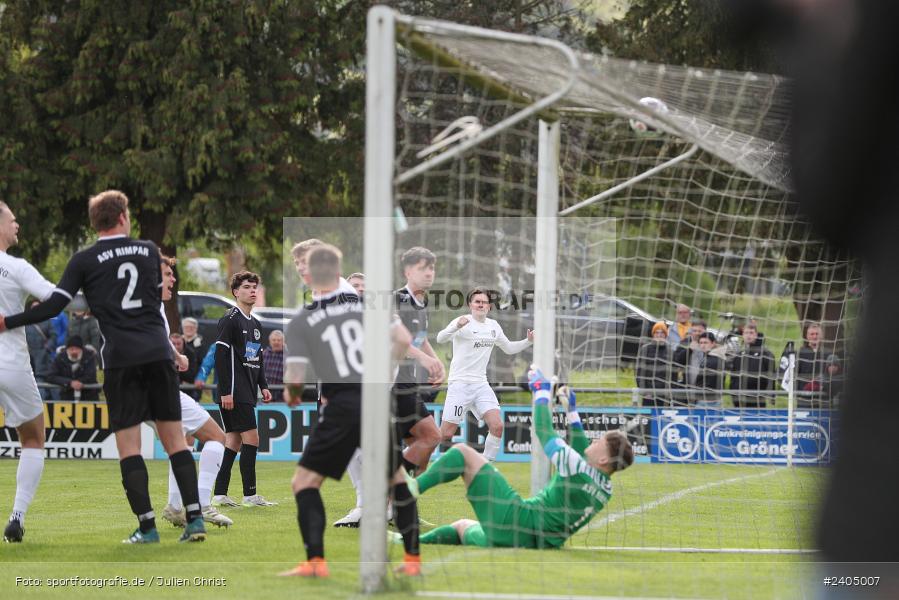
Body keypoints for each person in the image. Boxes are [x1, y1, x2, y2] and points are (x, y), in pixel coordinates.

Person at [0, 190, 205, 543]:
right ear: (124, 217)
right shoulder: (147, 251)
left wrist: (9, 321)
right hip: (157, 352)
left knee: (129, 446)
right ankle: (195, 521)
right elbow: (157, 297)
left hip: (121, 358)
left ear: (95, 222)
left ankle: (147, 527)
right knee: (175, 440)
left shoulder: (84, 259)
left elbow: (55, 306)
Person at [281, 244, 421, 577]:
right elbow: (402, 338)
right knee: (396, 477)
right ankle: (413, 562)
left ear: (311, 274)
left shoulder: (302, 319)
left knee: (304, 483)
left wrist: (292, 395)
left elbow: (296, 377)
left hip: (342, 403)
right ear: (339, 270)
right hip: (377, 399)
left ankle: (315, 563)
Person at [403, 366, 633, 549]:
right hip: (530, 542)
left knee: (461, 452)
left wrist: (541, 394)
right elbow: (583, 452)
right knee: (462, 527)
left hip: (516, 520)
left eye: (599, 443)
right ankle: (403, 541)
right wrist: (571, 412)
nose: (593, 442)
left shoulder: (575, 468)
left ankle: (410, 489)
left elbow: (544, 431)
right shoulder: (605, 488)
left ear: (603, 460)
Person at [153, 254, 232, 529]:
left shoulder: (142, 304)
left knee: (183, 442)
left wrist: (174, 354)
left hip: (143, 391)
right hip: (159, 389)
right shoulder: (152, 305)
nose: (173, 279)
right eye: (167, 274)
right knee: (217, 438)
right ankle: (203, 504)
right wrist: (177, 356)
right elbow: (154, 342)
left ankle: (175, 506)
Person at [0, 201, 56, 542]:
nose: (17, 225)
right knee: (34, 438)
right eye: (12, 219)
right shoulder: (15, 267)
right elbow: (55, 299)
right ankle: (17, 516)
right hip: (11, 364)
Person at [434, 287, 534, 460]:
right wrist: (456, 327)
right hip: (460, 384)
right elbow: (440, 338)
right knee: (445, 434)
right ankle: (408, 456)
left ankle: (485, 470)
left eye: (484, 302)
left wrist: (528, 341)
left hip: (481, 384)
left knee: (497, 426)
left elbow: (509, 348)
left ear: (489, 306)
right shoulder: (462, 321)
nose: (481, 305)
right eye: (477, 302)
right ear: (470, 304)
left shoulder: (493, 326)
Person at [211, 271, 275, 508]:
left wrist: (264, 386)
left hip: (248, 391)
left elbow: (255, 359)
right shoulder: (230, 319)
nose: (252, 291)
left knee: (234, 441)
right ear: (236, 292)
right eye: (247, 287)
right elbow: (221, 355)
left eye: (254, 287)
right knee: (252, 439)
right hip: (235, 392)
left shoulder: (256, 324)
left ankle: (219, 494)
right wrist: (226, 390)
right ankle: (250, 495)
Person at [393, 246, 444, 473]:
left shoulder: (423, 303)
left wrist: (437, 362)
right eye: (422, 268)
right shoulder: (397, 299)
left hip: (408, 382)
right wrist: (424, 359)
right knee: (432, 436)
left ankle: (403, 505)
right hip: (393, 384)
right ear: (407, 272)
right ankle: (387, 484)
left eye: (431, 268)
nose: (429, 273)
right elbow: (395, 339)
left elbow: (420, 340)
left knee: (421, 449)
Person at [728, 321, 775, 408]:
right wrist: (733, 393)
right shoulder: (738, 355)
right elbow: (733, 377)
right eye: (746, 333)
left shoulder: (766, 354)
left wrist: (772, 396)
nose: (748, 335)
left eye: (751, 333)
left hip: (757, 399)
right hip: (739, 400)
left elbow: (771, 376)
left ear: (756, 335)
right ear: (742, 335)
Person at [675, 331, 724, 407]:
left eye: (705, 343)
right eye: (701, 343)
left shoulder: (714, 359)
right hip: (704, 398)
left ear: (713, 343)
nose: (702, 345)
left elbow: (703, 380)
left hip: (707, 400)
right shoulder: (708, 357)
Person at [46, 336, 99, 401]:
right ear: (67, 349)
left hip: (89, 397)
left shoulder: (89, 357)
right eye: (71, 349)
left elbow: (91, 376)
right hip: (67, 398)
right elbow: (50, 376)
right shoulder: (60, 358)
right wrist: (70, 382)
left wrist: (79, 382)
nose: (74, 352)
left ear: (81, 349)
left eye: (77, 349)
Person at [24, 299, 56, 400]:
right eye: (34, 307)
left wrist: (47, 348)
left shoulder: (47, 321)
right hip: (29, 357)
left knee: (51, 388)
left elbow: (54, 336)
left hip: (44, 357)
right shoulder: (24, 323)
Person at [636, 322, 673, 407]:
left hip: (664, 394)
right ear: (653, 334)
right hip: (649, 394)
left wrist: (670, 392)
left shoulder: (670, 350)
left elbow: (673, 375)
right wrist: (644, 392)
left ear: (665, 335)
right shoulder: (645, 349)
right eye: (657, 332)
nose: (659, 335)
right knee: (648, 418)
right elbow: (639, 373)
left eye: (662, 333)